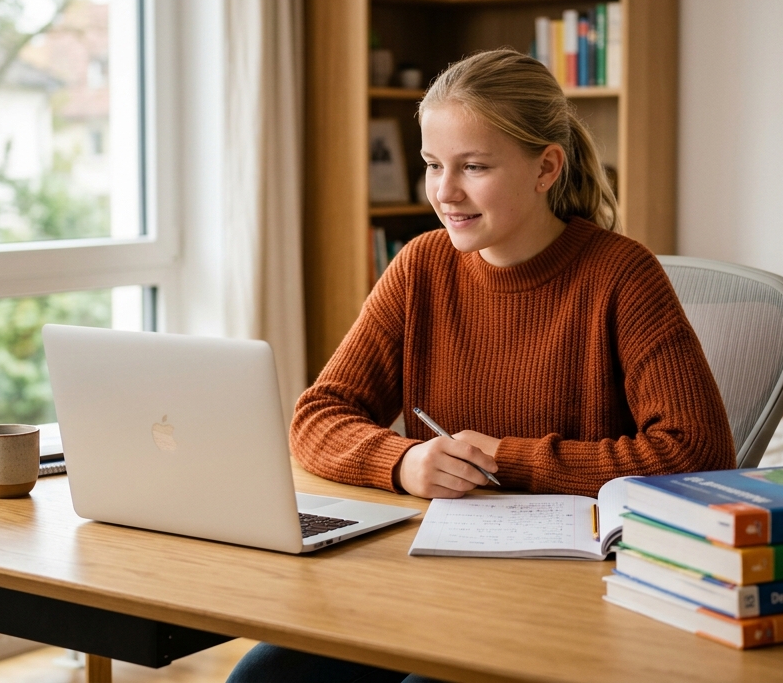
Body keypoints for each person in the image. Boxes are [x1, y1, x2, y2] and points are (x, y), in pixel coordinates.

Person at [226, 49, 734, 682]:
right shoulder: (420, 266)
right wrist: (404, 461)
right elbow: (318, 417)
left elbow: (698, 453)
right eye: (434, 165)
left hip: (563, 595)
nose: (445, 191)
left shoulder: (621, 275)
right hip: (426, 574)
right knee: (261, 679)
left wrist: (504, 460)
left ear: (546, 166)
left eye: (474, 167)